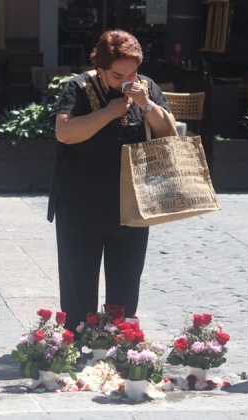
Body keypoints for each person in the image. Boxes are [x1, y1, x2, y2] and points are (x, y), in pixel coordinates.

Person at [48, 29, 175, 335]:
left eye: (133, 72)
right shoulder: (78, 87)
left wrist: (147, 105)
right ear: (101, 68)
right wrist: (109, 112)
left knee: (126, 283)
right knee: (79, 285)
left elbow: (169, 134)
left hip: (132, 205)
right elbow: (64, 133)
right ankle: (78, 341)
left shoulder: (146, 88)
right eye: (118, 75)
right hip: (81, 205)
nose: (127, 81)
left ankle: (120, 343)